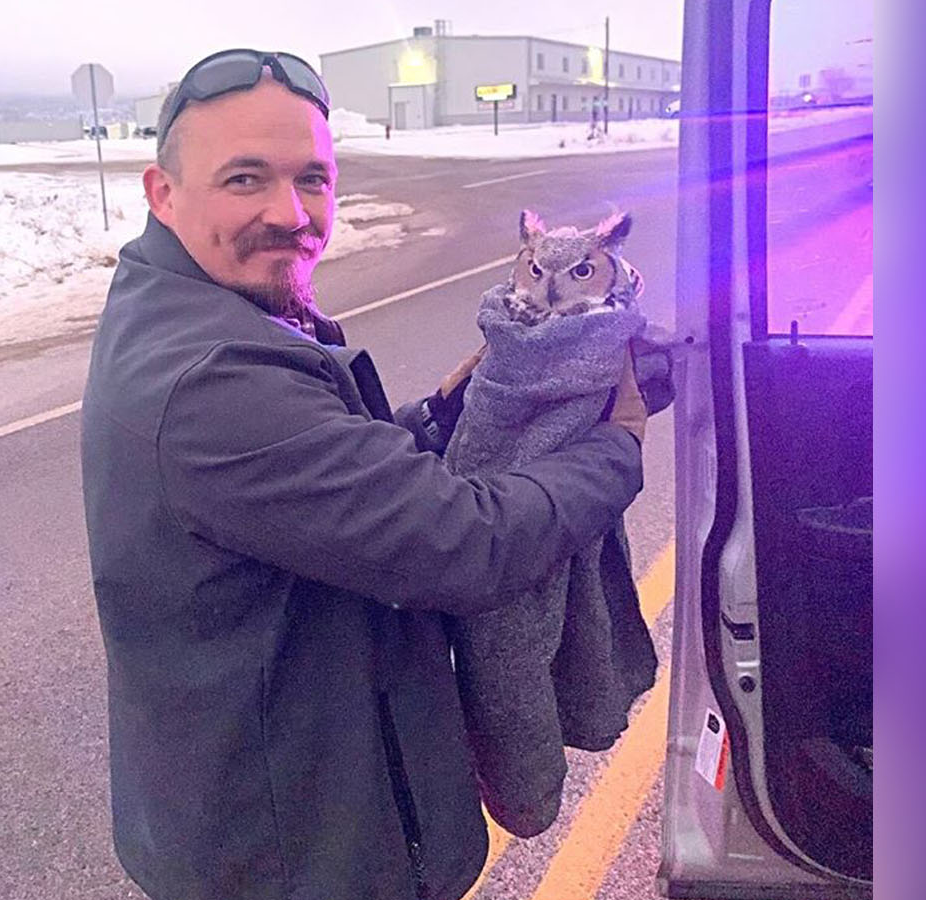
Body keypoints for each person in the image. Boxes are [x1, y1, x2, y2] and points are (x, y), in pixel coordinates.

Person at [80, 49, 664, 900]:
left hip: (269, 815)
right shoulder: (211, 380)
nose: (292, 213)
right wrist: (616, 446)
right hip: (299, 860)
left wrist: (441, 418)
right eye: (245, 179)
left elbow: (319, 474)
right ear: (162, 192)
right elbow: (467, 545)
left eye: (312, 179)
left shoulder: (193, 304)